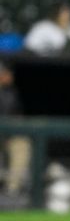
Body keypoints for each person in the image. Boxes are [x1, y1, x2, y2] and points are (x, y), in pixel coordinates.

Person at [0, 61, 31, 199]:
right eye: (6, 73)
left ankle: (12, 190)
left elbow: (15, 116)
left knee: (22, 144)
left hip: (8, 135)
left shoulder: (10, 92)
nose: (10, 76)